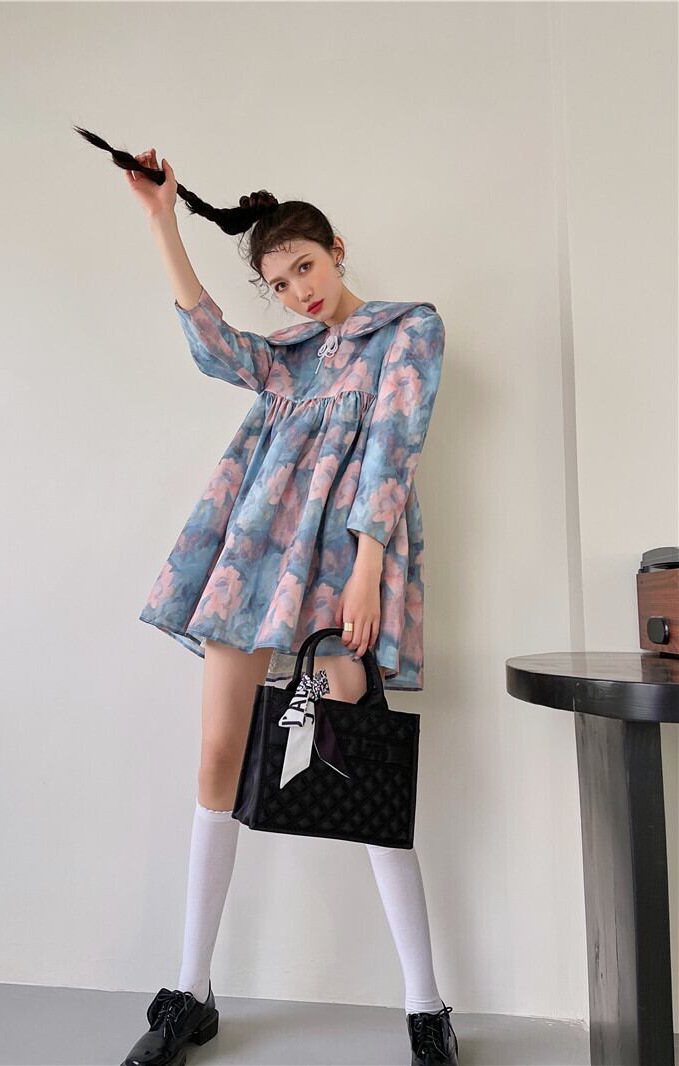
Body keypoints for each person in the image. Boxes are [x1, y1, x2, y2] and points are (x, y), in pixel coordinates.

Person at [119, 149, 458, 1066]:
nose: (298, 291)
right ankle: (191, 994)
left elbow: (394, 447)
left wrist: (367, 570)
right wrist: (162, 220)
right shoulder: (285, 361)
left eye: (306, 266)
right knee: (218, 758)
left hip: (343, 570)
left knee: (359, 770)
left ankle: (426, 1005)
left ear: (337, 250)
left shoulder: (408, 330)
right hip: (252, 565)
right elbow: (210, 342)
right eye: (279, 282)